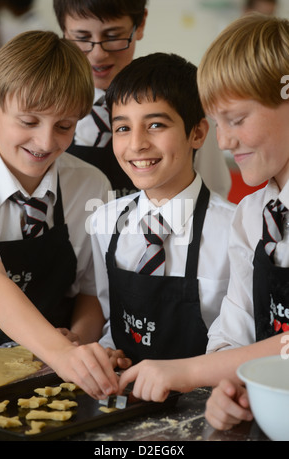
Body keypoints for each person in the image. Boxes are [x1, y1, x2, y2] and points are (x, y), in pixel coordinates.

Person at [115, 13, 289, 427]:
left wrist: (189, 372)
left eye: (238, 119)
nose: (224, 141)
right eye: (219, 121)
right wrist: (227, 389)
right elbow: (236, 330)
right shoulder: (252, 216)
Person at [0, 29, 127, 397]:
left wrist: (79, 342)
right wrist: (61, 352)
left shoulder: (90, 185)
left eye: (64, 126)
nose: (46, 142)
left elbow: (92, 292)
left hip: (51, 374)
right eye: (29, 122)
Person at [88, 52, 235, 369]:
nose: (137, 144)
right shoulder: (104, 222)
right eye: (123, 128)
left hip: (207, 399)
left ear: (197, 133)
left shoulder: (234, 230)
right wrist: (107, 350)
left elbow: (242, 342)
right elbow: (108, 319)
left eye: (155, 124)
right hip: (123, 395)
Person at [53, 0, 231, 199]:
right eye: (82, 37)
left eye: (113, 36)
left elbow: (213, 193)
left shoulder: (182, 98)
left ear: (141, 24)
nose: (98, 53)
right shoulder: (49, 110)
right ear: (64, 32)